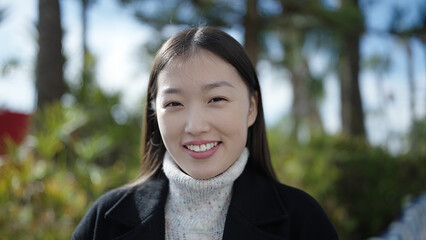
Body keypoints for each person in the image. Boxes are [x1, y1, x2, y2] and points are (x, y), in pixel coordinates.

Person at [72, 26, 339, 240]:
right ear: (155, 113)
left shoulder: (302, 221)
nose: (196, 126)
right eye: (174, 103)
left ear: (252, 108)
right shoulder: (104, 221)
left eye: (216, 99)